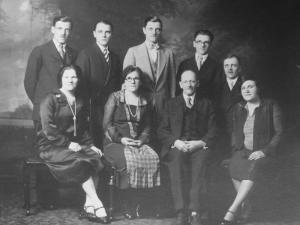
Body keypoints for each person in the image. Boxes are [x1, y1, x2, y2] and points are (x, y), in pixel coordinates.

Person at [37, 65, 109, 224]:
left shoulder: (80, 100)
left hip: (73, 144)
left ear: (78, 79)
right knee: (82, 162)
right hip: (51, 146)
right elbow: (48, 129)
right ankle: (97, 203)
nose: (70, 80)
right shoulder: (50, 99)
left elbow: (82, 128)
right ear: (61, 79)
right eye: (66, 77)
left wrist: (90, 145)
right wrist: (68, 144)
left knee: (96, 158)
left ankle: (88, 206)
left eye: (74, 77)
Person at [219, 78, 283, 225]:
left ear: (257, 88)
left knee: (253, 167)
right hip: (243, 151)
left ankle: (232, 211)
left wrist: (264, 151)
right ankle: (246, 206)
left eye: (250, 87)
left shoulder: (270, 106)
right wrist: (236, 149)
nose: (246, 90)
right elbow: (235, 132)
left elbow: (279, 132)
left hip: (263, 153)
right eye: (243, 88)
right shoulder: (239, 107)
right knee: (232, 165)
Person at [158, 70, 217, 225]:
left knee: (200, 164)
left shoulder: (207, 103)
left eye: (192, 81)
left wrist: (200, 143)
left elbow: (214, 129)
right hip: (178, 145)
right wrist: (176, 142)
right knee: (175, 162)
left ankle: (195, 210)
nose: (189, 85)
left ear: (197, 83)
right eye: (185, 81)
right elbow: (162, 130)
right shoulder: (171, 104)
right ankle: (181, 211)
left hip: (199, 145)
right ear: (180, 84)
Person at [103, 66, 160, 219]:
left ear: (140, 81)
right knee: (127, 160)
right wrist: (121, 139)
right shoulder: (115, 97)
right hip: (114, 143)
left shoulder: (145, 100)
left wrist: (141, 141)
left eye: (136, 78)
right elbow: (107, 124)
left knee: (152, 158)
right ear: (124, 81)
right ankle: (126, 202)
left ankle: (141, 203)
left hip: (137, 142)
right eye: (129, 78)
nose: (132, 81)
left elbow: (148, 126)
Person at [24, 16, 77, 131]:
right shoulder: (39, 51)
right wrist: (41, 103)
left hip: (66, 113)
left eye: (67, 29)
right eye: (59, 28)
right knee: (46, 148)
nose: (63, 33)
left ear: (70, 32)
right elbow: (29, 82)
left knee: (65, 147)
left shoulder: (73, 53)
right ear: (53, 29)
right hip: (44, 112)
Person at [76, 20, 122, 148]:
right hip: (92, 108)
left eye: (107, 32)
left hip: (110, 107)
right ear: (94, 34)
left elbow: (118, 85)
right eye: (100, 32)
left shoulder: (115, 57)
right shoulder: (86, 54)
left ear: (111, 34)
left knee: (109, 141)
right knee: (94, 142)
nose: (104, 35)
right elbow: (80, 85)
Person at [123, 16, 176, 119]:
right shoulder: (133, 51)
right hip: (140, 101)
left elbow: (172, 82)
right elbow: (127, 82)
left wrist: (172, 102)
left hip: (163, 103)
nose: (154, 32)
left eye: (157, 29)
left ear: (161, 31)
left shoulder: (168, 53)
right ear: (144, 30)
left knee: (162, 132)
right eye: (150, 29)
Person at [176, 29, 222, 100]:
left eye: (206, 42)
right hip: (186, 106)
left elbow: (218, 92)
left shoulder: (217, 66)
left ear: (210, 45)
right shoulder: (184, 64)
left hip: (208, 107)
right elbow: (178, 89)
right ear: (194, 44)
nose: (202, 45)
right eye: (199, 42)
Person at [214, 54, 244, 161]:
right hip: (220, 132)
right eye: (226, 66)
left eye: (233, 65)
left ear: (239, 68)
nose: (229, 69)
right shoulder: (216, 86)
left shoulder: (246, 85)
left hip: (240, 132)